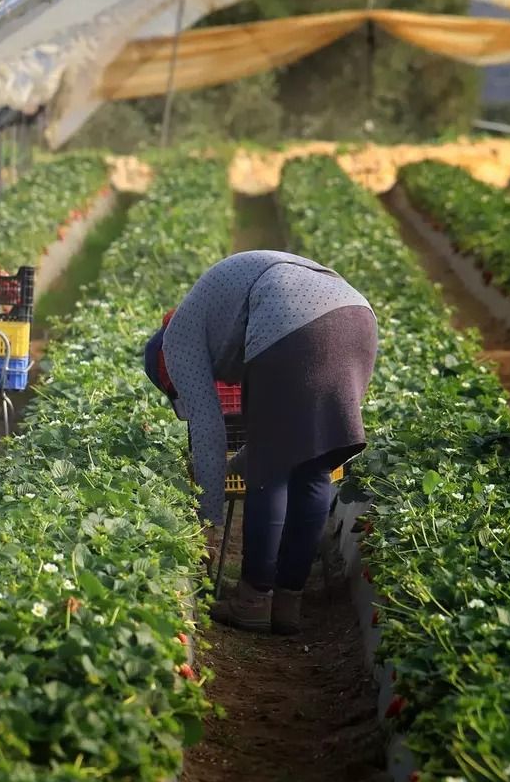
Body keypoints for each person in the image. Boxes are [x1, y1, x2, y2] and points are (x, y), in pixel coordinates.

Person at [142, 250, 377, 634]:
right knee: (314, 464)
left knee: (272, 470)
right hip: (356, 318)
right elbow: (288, 429)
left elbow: (208, 428)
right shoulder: (209, 314)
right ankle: (287, 603)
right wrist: (240, 462)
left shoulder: (177, 343)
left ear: (167, 372)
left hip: (291, 322)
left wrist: (208, 521)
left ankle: (252, 600)